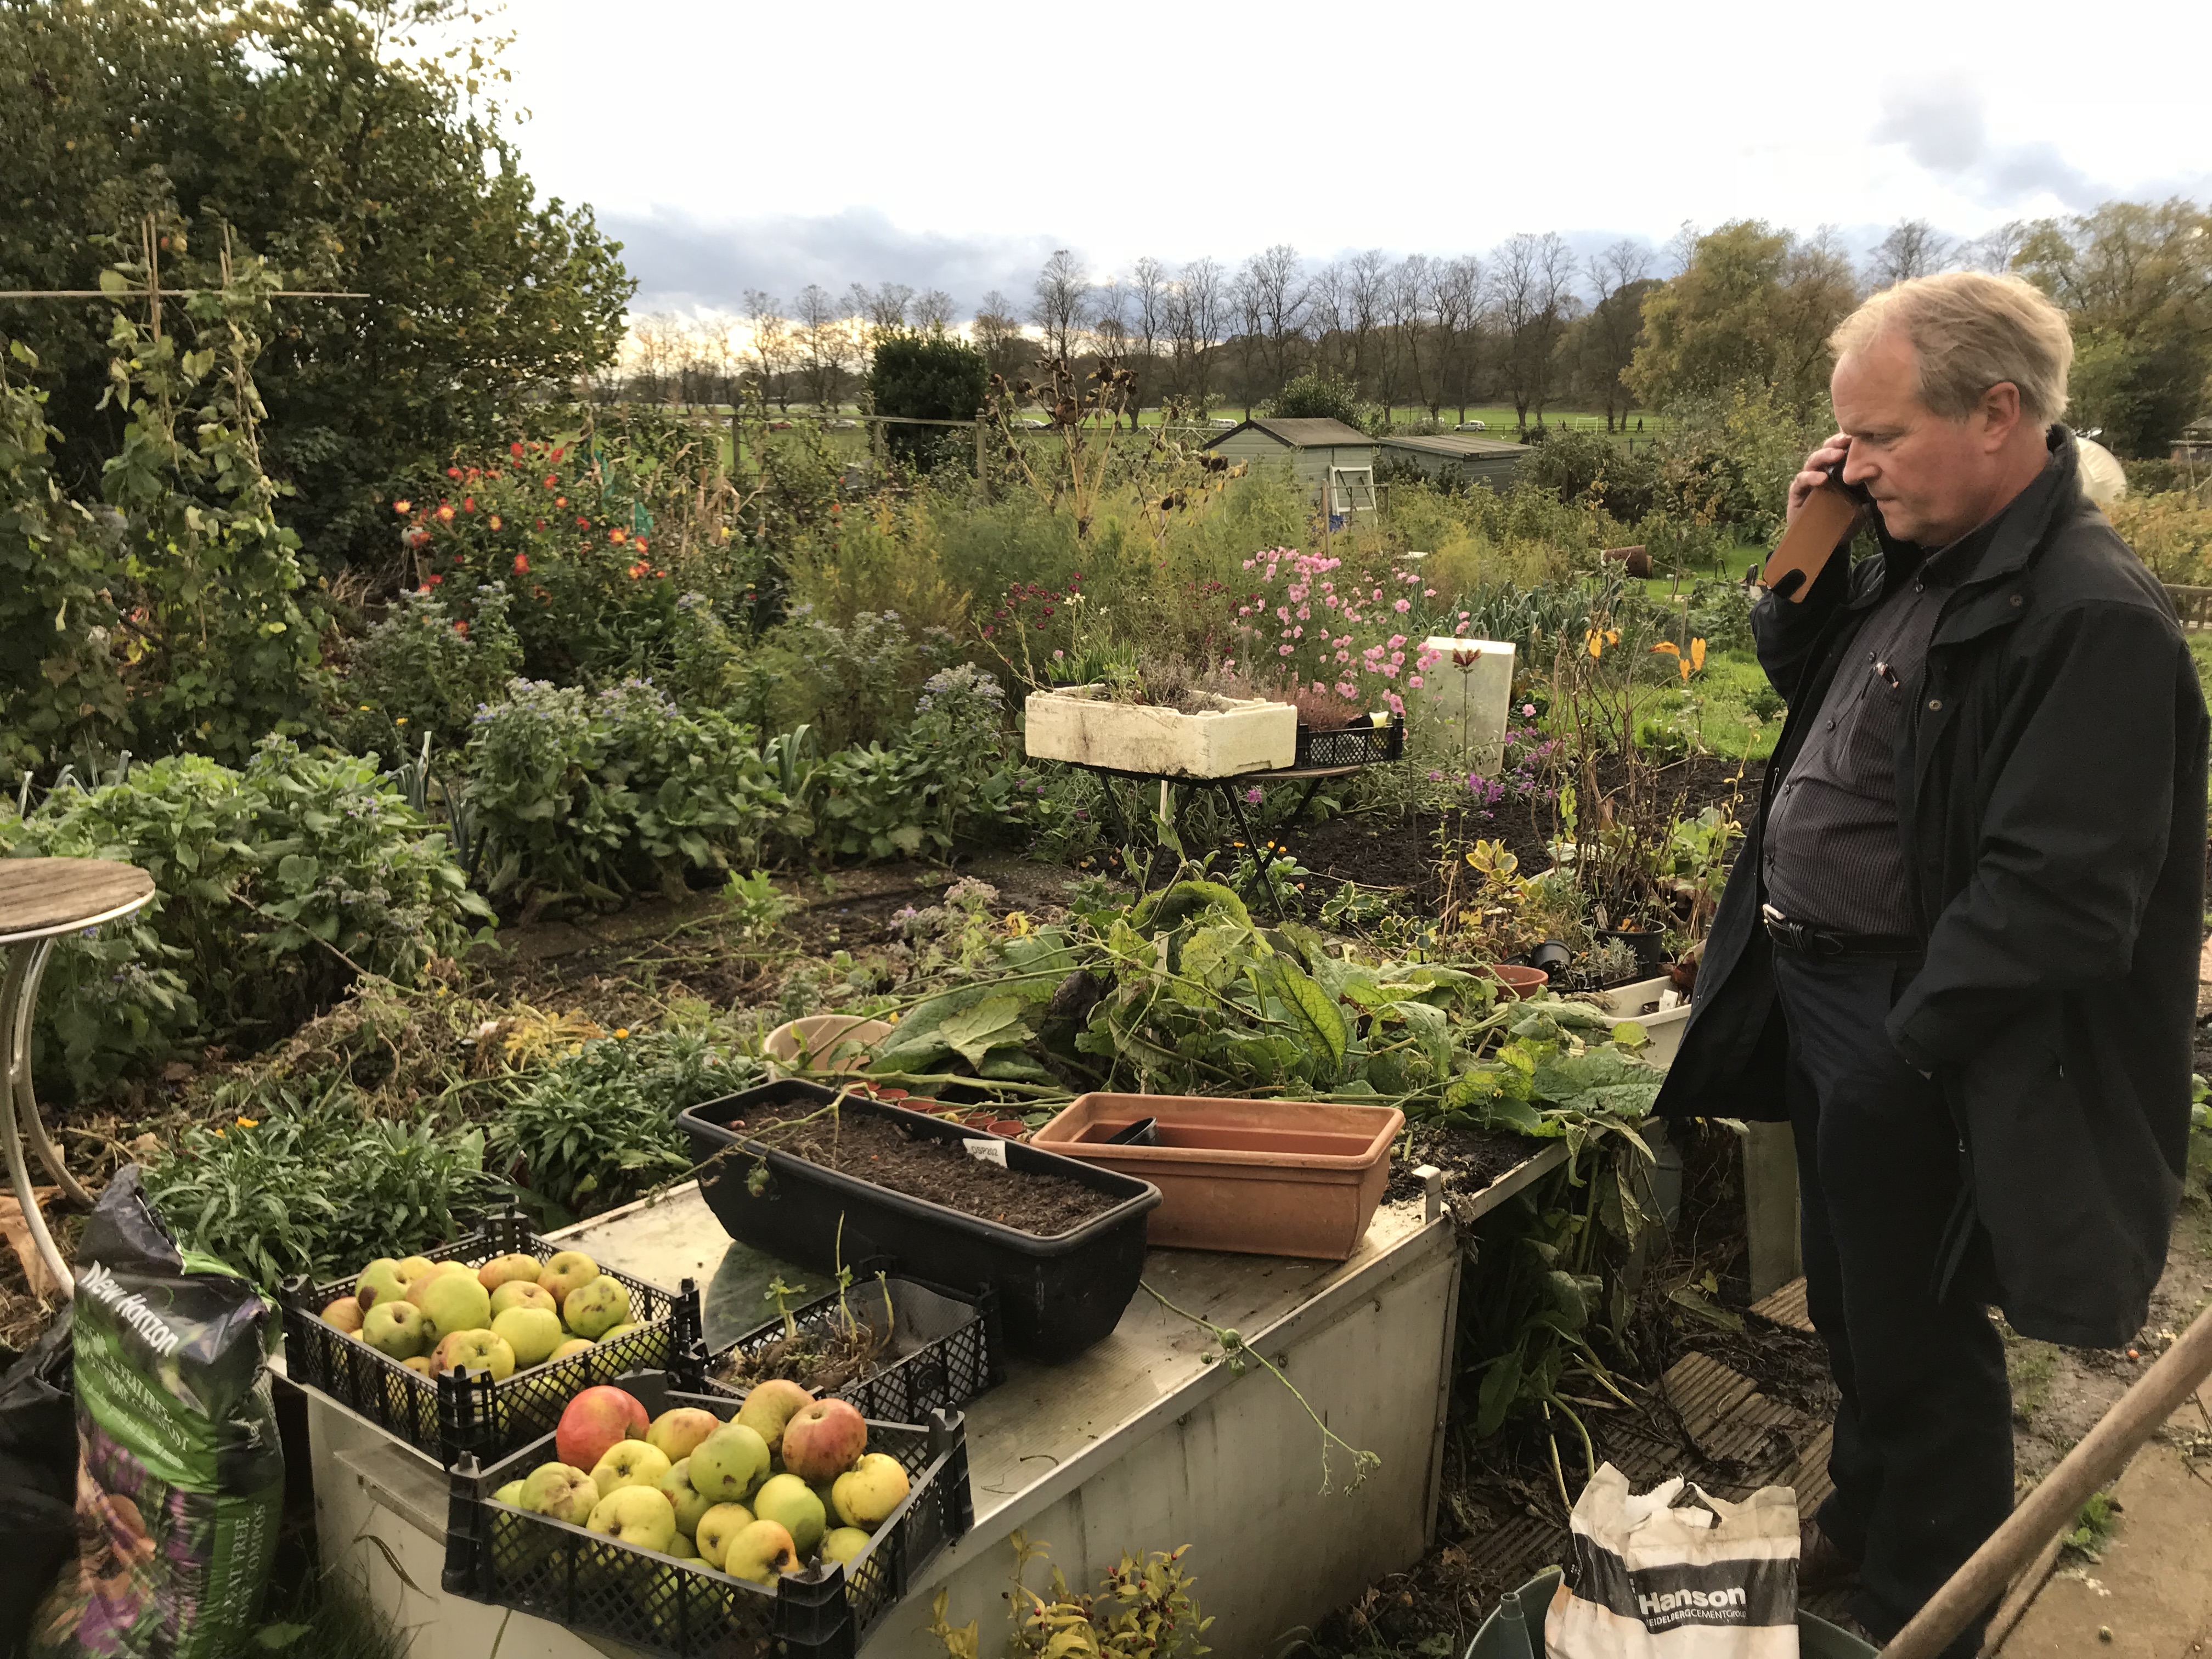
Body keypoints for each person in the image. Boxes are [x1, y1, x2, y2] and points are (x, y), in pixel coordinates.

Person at [1655, 271, 2208, 1654]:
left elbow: (2065, 897)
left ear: (1999, 413)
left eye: (1880, 438)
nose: (1857, 464)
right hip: (1838, 995)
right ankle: (1863, 1511)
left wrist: (1911, 1034)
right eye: (1846, 442)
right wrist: (1815, 532)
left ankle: (1922, 1613)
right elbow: (1812, 678)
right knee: (1853, 1297)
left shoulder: (2090, 616)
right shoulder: (1934, 556)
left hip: (1918, 1021)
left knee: (1922, 1333)